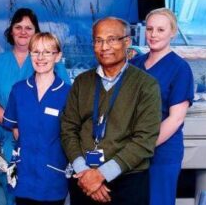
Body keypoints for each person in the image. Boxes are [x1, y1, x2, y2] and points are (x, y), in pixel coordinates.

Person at [60, 17, 161, 205]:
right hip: (83, 180)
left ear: (127, 42)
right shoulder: (82, 83)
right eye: (98, 40)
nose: (104, 46)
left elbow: (144, 140)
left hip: (128, 181)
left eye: (112, 39)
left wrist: (101, 175)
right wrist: (84, 173)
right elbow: (68, 129)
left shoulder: (146, 85)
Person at [0, 8, 70, 205]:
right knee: (14, 194)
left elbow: (65, 105)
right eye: (18, 27)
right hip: (9, 140)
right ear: (11, 31)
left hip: (48, 145)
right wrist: (14, 126)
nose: (23, 32)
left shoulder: (57, 68)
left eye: (28, 28)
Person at [130, 8, 194, 205]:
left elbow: (175, 119)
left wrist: (142, 146)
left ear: (172, 32)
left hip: (161, 153)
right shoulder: (134, 64)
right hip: (130, 151)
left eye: (160, 29)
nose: (153, 34)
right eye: (149, 29)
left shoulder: (180, 69)